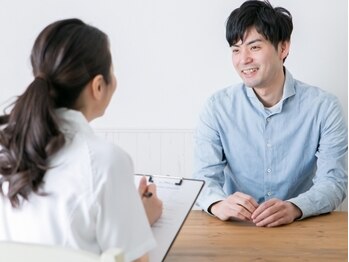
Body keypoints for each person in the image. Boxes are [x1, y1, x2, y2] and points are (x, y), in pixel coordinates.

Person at [0, 18, 162, 262]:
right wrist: (140, 220)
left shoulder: (6, 149)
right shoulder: (105, 161)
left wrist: (132, 218)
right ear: (98, 86)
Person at [194, 0, 347, 227]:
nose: (243, 59)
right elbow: (204, 179)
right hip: (237, 229)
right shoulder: (217, 108)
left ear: (283, 48)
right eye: (236, 50)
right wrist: (218, 204)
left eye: (254, 47)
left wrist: (295, 207)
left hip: (299, 227)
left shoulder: (324, 107)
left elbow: (334, 182)